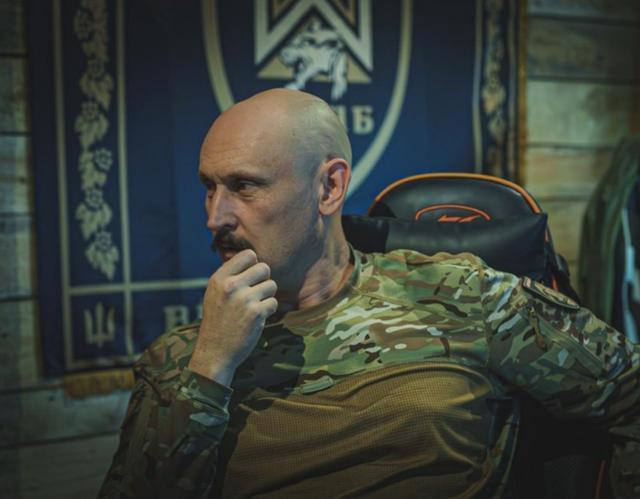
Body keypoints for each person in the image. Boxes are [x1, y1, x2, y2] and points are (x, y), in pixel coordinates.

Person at [99, 89, 640, 498]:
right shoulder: (182, 359)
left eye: (243, 186)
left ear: (329, 187)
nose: (215, 217)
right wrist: (211, 371)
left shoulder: (462, 296)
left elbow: (630, 393)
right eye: (209, 188)